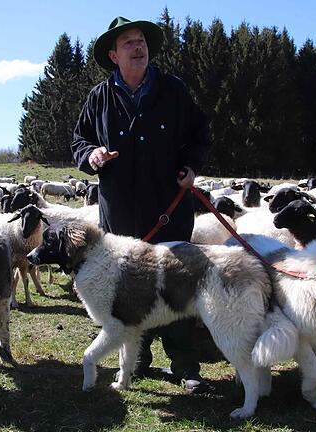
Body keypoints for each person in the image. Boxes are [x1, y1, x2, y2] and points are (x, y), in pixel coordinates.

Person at [71, 16, 212, 393]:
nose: (138, 47)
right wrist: (92, 155)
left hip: (169, 209)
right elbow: (78, 141)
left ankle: (185, 367)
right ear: (114, 55)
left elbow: (200, 133)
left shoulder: (172, 91)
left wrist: (191, 166)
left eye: (141, 41)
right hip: (120, 215)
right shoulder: (98, 98)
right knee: (127, 291)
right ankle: (136, 362)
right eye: (129, 43)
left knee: (177, 287)